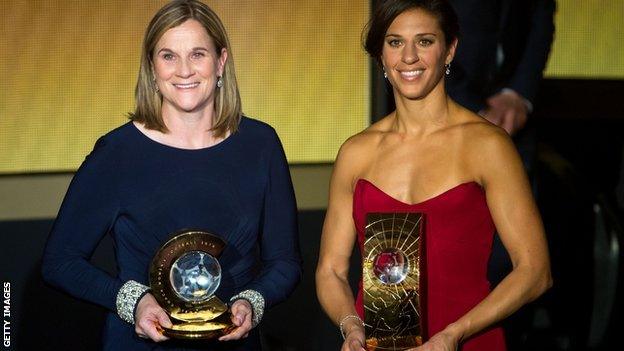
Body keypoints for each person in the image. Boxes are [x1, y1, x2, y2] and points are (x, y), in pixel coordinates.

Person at [41, 1, 301, 350]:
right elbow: (60, 262)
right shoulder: (117, 153)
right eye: (168, 56)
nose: (184, 70)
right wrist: (135, 302)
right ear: (152, 67)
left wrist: (252, 302)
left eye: (197, 54)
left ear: (221, 61)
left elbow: (285, 262)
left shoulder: (260, 144)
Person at [315, 1, 551, 350]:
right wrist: (350, 326)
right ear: (381, 55)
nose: (409, 57)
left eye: (424, 41)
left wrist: (453, 335)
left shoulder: (487, 144)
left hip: (468, 341)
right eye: (395, 42)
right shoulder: (356, 152)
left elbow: (535, 272)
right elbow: (331, 271)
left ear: (450, 49)